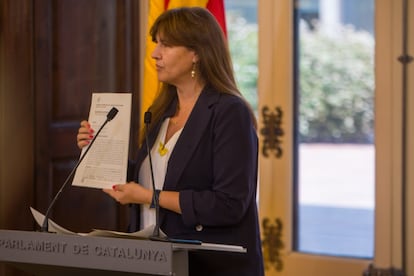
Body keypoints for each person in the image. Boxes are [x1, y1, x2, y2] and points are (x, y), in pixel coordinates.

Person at [77, 6, 264, 276]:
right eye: (156, 43)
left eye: (166, 44)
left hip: (207, 266)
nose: (155, 53)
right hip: (150, 262)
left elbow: (229, 204)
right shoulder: (161, 111)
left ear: (197, 53)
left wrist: (148, 197)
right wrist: (96, 151)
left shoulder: (229, 112)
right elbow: (147, 180)